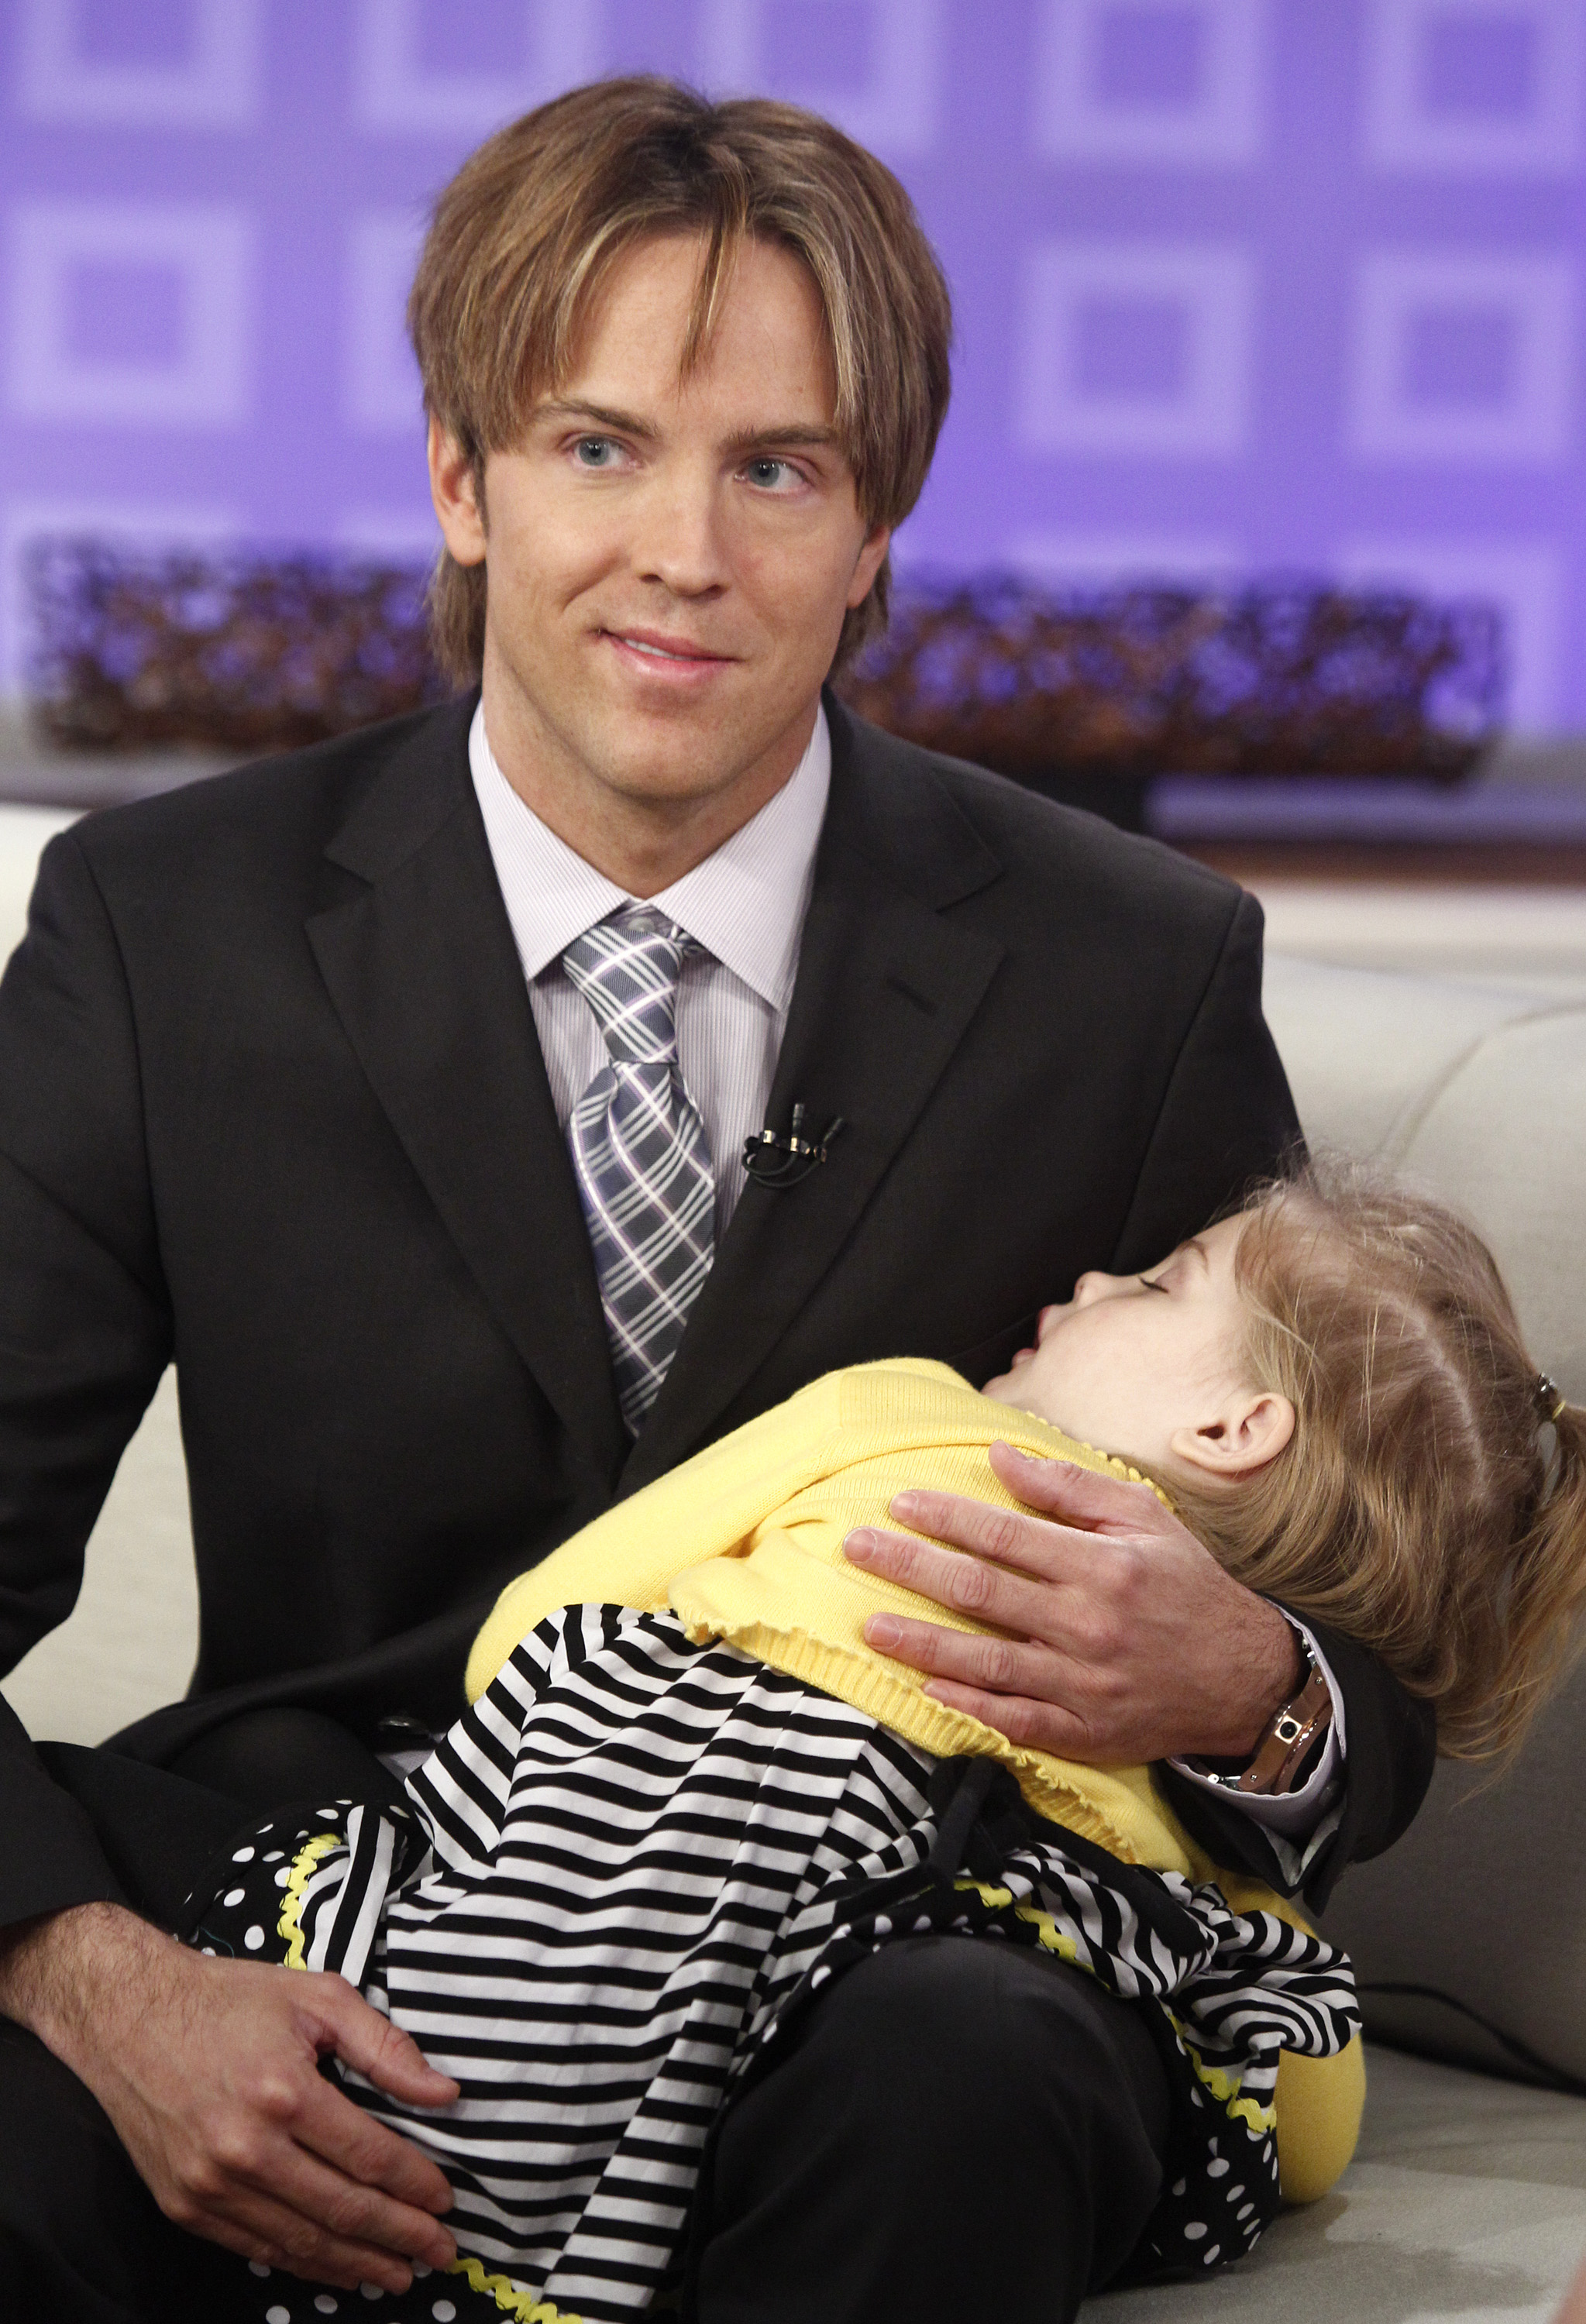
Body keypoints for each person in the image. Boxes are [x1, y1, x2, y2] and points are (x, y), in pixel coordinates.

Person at [0, 78, 1436, 2323]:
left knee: (975, 2077)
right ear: (460, 482)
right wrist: (80, 1966)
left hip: (891, 1932)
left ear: (876, 538)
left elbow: (1376, 1649)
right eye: (598, 447)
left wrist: (1253, 1684)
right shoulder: (161, 926)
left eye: (779, 469)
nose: (687, 550)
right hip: (320, 1889)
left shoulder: (1129, 970)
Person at [182, 1161, 1586, 2324]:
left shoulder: (904, 1411)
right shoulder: (1163, 1780)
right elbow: (1300, 2078)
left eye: (1155, 1282)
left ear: (1234, 1426)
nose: (1097, 1278)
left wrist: (527, 1735)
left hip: (666, 1880)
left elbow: (557, 1609)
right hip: (911, 1944)